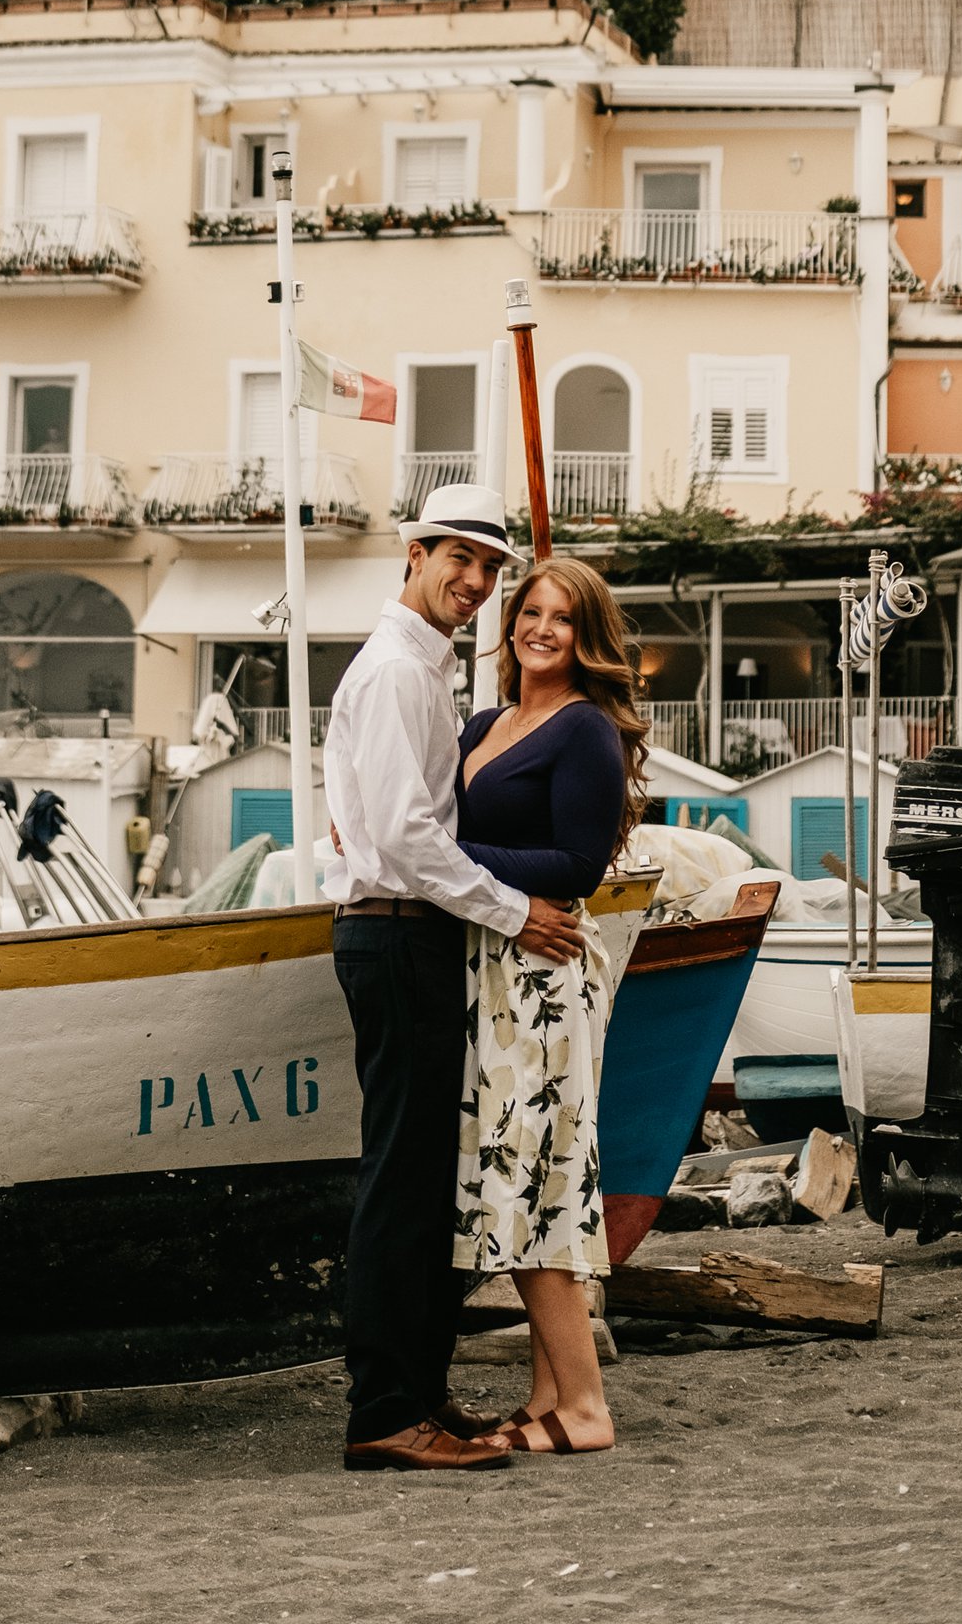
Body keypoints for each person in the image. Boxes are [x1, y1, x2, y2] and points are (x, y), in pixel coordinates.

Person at [323, 483, 584, 1474]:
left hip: (398, 932)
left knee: (424, 1178)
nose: (475, 582)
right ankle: (386, 1411)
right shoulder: (398, 673)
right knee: (404, 1181)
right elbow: (406, 838)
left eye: (489, 568)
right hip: (398, 936)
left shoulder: (411, 671)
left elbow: (368, 819)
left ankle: (416, 1398)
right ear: (415, 552)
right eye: (459, 560)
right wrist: (520, 913)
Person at [452, 556, 648, 1458]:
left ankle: (586, 1408)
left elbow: (576, 868)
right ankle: (545, 1395)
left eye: (562, 619)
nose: (540, 628)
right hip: (493, 966)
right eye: (530, 610)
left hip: (542, 974)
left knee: (533, 1185)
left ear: (587, 636)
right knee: (531, 1184)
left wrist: (450, 860)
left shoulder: (585, 732)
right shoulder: (491, 721)